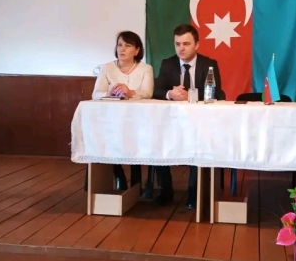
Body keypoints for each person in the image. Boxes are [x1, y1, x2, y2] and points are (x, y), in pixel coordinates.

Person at [152, 24, 224, 208]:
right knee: (158, 141)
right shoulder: (168, 64)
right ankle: (165, 191)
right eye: (177, 44)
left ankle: (194, 193)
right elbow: (156, 91)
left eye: (186, 44)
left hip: (200, 124)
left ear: (197, 45)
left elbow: (218, 94)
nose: (181, 48)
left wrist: (190, 95)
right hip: (172, 123)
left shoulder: (209, 64)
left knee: (199, 146)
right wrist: (170, 93)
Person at [92, 31, 154, 190]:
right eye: (119, 45)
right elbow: (95, 94)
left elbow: (148, 93)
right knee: (106, 139)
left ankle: (137, 183)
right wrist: (110, 93)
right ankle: (119, 175)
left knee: (136, 142)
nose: (122, 49)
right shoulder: (106, 68)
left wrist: (130, 92)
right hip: (111, 120)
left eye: (128, 45)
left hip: (138, 120)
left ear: (137, 50)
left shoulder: (146, 69)